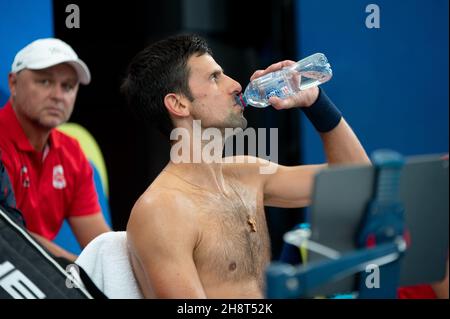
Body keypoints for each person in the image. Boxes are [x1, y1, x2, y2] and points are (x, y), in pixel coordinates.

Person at [121, 34, 370, 298]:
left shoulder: (247, 174)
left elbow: (357, 180)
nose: (237, 85)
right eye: (215, 78)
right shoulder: (162, 209)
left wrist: (315, 102)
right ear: (179, 104)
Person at [0, 38, 110, 262]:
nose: (58, 96)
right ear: (13, 83)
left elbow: (102, 246)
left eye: (68, 86)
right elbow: (8, 234)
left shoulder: (71, 151)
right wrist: (77, 270)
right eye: (45, 82)